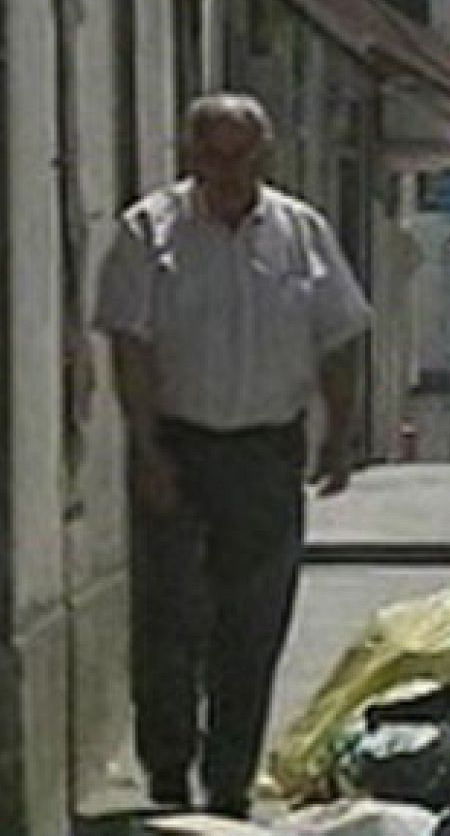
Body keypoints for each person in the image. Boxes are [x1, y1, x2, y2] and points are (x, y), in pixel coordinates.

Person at [93, 93, 372, 817]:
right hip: (178, 445)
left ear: (264, 155)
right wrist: (146, 448)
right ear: (190, 155)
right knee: (170, 617)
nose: (226, 169)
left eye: (240, 154)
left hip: (265, 451)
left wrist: (338, 433)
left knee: (252, 622)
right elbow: (132, 347)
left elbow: (339, 337)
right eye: (212, 154)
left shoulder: (300, 231)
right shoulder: (148, 230)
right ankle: (167, 766)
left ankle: (228, 779)